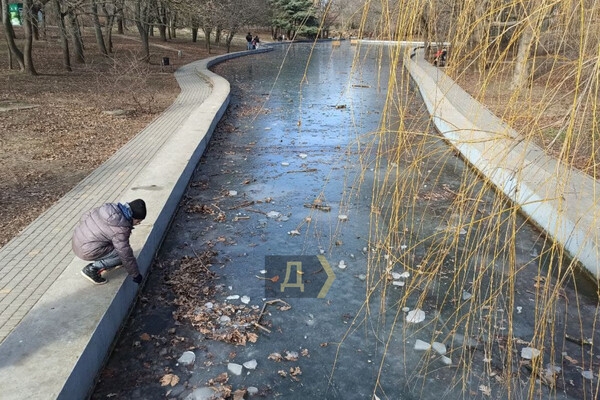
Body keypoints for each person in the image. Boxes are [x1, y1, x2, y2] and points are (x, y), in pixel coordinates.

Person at [73, 199, 146, 285]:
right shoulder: (121, 229)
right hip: (86, 251)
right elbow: (125, 254)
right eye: (138, 221)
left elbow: (84, 217)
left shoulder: (108, 209)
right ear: (132, 217)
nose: (137, 224)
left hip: (77, 241)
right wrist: (136, 275)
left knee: (116, 246)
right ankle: (92, 269)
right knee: (120, 256)